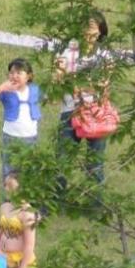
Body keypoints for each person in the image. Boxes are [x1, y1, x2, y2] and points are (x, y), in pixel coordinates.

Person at [56, 11, 111, 186]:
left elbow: (105, 85)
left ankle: (94, 198)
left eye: (92, 27)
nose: (88, 31)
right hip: (70, 111)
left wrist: (78, 85)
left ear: (100, 31)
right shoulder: (68, 51)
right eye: (85, 27)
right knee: (62, 161)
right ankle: (57, 197)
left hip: (95, 113)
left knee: (95, 165)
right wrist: (63, 76)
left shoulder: (104, 54)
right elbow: (57, 79)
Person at [0, 58, 42, 184]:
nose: (15, 76)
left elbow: (53, 99)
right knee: (10, 171)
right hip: (11, 137)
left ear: (28, 76)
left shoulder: (35, 90)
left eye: (19, 73)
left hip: (31, 138)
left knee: (29, 171)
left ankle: (24, 194)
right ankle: (10, 194)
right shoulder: (6, 91)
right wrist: (1, 88)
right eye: (12, 73)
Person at [0, 173, 38, 268]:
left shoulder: (27, 214)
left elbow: (29, 245)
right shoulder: (4, 207)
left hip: (19, 260)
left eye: (11, 186)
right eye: (6, 185)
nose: (7, 189)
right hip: (4, 258)